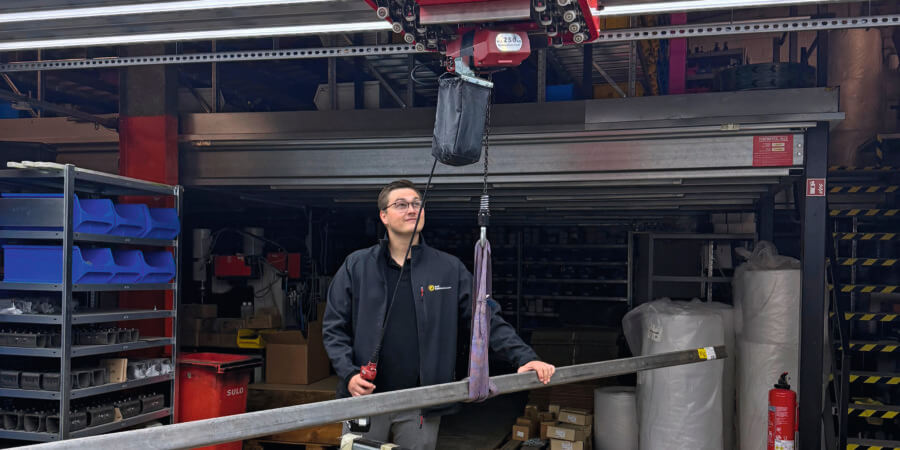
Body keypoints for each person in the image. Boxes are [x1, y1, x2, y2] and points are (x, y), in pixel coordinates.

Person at [323, 179, 555, 450]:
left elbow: (485, 319)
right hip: (364, 398)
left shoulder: (448, 269)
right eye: (401, 204)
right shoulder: (357, 266)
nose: (412, 209)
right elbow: (334, 328)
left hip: (423, 403)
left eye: (417, 204)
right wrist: (350, 374)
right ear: (383, 216)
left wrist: (524, 357)